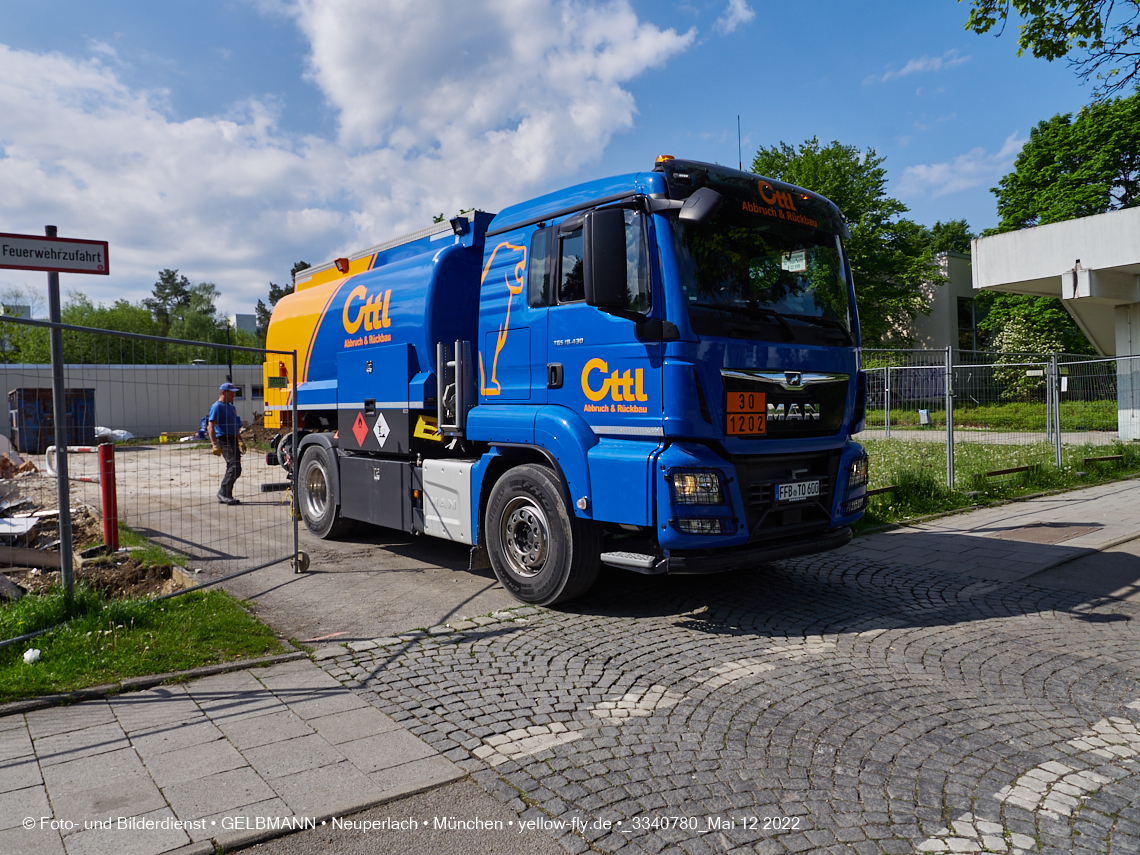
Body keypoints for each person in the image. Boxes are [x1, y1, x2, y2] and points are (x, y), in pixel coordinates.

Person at [208, 382, 243, 505]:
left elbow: (235, 426)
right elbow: (211, 426)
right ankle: (223, 493)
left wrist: (240, 440)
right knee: (234, 467)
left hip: (233, 439)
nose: (234, 395)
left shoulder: (231, 407)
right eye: (232, 392)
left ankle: (227, 493)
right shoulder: (217, 407)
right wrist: (215, 444)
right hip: (224, 439)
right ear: (223, 392)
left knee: (234, 468)